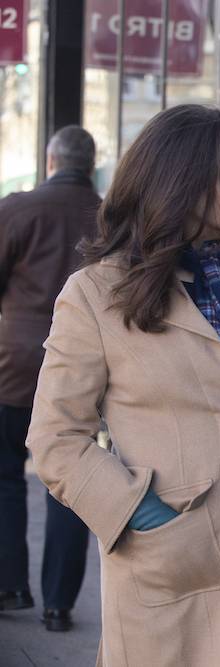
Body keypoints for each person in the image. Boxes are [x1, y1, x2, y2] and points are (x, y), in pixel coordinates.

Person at [26, 105, 220, 665]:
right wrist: (143, 517)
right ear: (184, 185)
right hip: (172, 567)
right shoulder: (95, 295)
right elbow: (55, 439)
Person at [0, 126, 99, 632]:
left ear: (51, 159)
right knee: (73, 478)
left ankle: (11, 586)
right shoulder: (108, 216)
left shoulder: (16, 209)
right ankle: (59, 606)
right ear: (92, 162)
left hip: (15, 366)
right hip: (87, 370)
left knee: (5, 474)